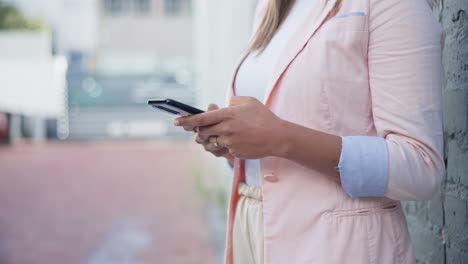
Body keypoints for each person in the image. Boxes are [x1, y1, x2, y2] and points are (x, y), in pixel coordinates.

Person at [174, 0, 445, 263]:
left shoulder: (391, 5)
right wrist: (232, 142)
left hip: (337, 244)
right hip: (251, 226)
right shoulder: (271, 8)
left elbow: (420, 167)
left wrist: (280, 138)